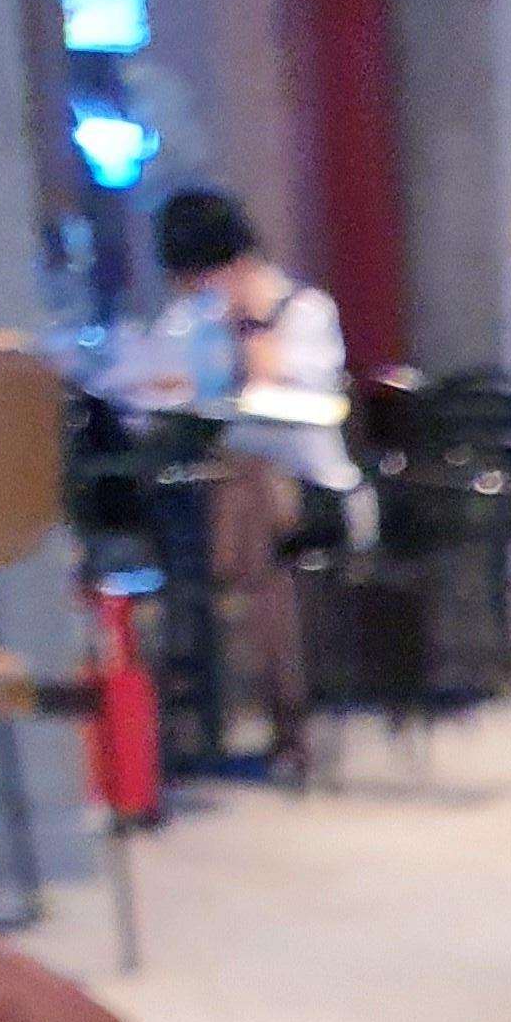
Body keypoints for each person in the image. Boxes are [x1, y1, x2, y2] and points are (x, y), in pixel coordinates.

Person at [149, 185, 364, 770]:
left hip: (312, 489)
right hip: (223, 488)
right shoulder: (188, 320)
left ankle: (270, 714)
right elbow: (164, 386)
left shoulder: (305, 312)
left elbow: (282, 398)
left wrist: (253, 323)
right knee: (229, 497)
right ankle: (251, 718)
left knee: (253, 501)